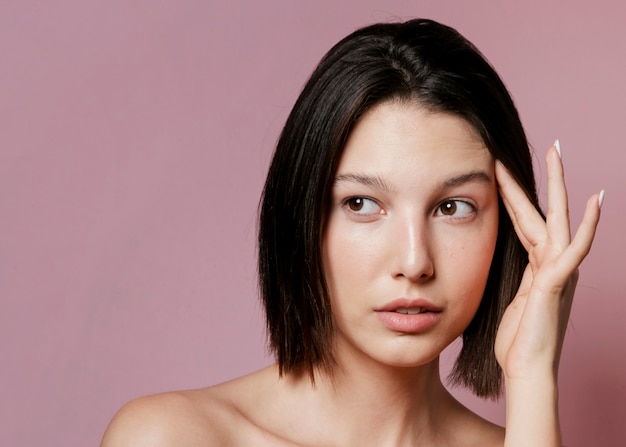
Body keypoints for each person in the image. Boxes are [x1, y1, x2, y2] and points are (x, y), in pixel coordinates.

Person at [101, 18, 603, 446]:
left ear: (508, 229)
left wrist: (533, 376)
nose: (413, 261)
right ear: (302, 218)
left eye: (453, 207)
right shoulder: (174, 437)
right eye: (362, 204)